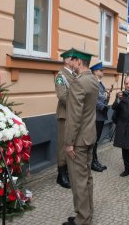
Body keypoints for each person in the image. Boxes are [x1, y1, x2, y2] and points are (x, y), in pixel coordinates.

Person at [63, 49, 98, 225]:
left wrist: (69, 143)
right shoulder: (93, 80)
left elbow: (75, 117)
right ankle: (86, 213)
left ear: (79, 62)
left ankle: (83, 219)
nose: (71, 63)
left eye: (73, 61)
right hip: (90, 136)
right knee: (87, 178)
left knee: (79, 181)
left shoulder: (79, 83)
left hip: (78, 140)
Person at [54, 48, 75, 188]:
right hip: (65, 115)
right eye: (74, 59)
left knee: (71, 142)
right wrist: (77, 105)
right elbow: (62, 96)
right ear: (67, 60)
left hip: (72, 114)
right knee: (63, 144)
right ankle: (61, 174)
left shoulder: (74, 75)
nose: (76, 61)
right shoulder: (61, 76)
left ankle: (67, 171)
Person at [90, 61, 108, 172]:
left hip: (100, 115)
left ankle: (95, 160)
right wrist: (103, 107)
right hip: (96, 115)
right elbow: (93, 99)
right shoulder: (93, 82)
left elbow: (102, 97)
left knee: (96, 140)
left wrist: (107, 96)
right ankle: (93, 162)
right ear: (95, 71)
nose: (103, 72)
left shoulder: (99, 82)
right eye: (101, 70)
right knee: (93, 140)